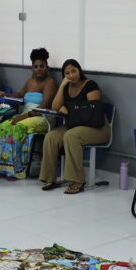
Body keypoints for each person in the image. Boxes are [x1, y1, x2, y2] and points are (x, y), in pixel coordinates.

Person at [39, 59, 111, 195]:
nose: (71, 75)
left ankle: (78, 180)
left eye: (74, 71)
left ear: (79, 70)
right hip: (74, 125)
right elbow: (55, 107)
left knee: (71, 136)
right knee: (51, 136)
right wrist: (62, 86)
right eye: (67, 73)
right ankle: (50, 178)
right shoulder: (66, 87)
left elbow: (92, 112)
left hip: (98, 128)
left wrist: (69, 111)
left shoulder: (90, 85)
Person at [0, 48, 58, 180]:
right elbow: (20, 95)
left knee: (18, 128)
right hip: (26, 114)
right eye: (36, 66)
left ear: (47, 67)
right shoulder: (29, 81)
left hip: (42, 117)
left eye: (42, 66)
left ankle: (17, 170)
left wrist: (21, 117)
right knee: (3, 127)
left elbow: (44, 106)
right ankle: (1, 168)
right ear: (32, 68)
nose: (39, 69)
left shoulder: (50, 83)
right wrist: (6, 94)